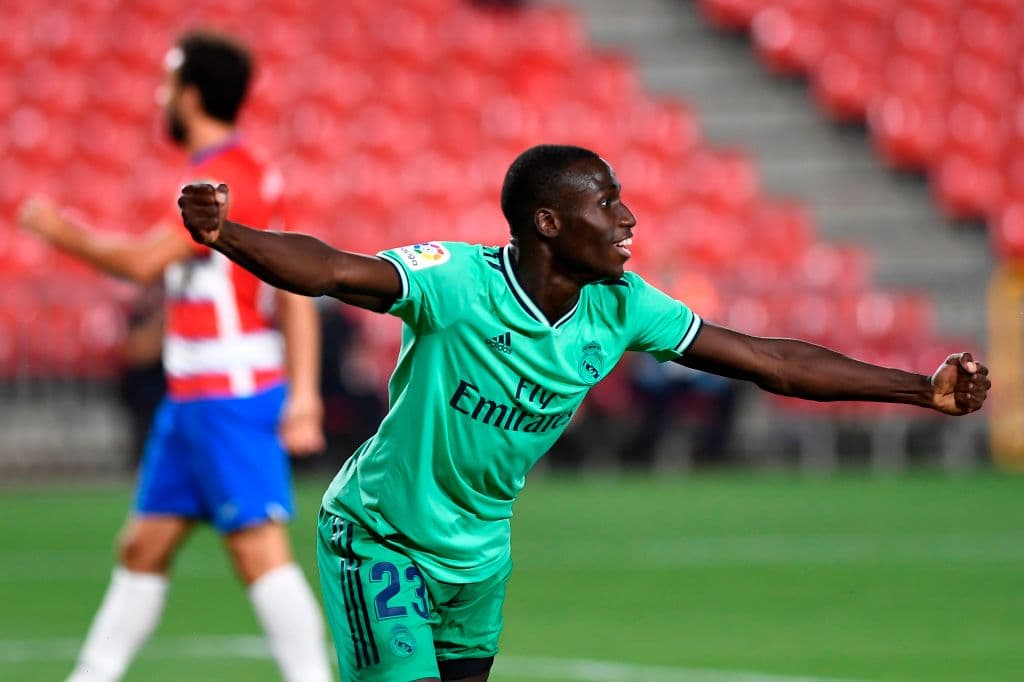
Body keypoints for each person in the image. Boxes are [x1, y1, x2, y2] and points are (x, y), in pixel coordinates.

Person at [177, 144, 990, 682]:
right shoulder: (457, 281)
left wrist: (920, 389)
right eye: (607, 203)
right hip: (380, 533)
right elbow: (333, 271)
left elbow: (770, 359)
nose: (628, 218)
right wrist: (226, 235)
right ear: (548, 222)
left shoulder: (621, 304)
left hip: (479, 551)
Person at [19, 32, 333, 682]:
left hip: (231, 395)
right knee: (143, 544)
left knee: (257, 550)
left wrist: (58, 229)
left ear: (190, 95)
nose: (159, 96)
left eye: (167, 83)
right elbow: (279, 293)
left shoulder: (229, 178)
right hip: (193, 399)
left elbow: (141, 262)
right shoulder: (234, 170)